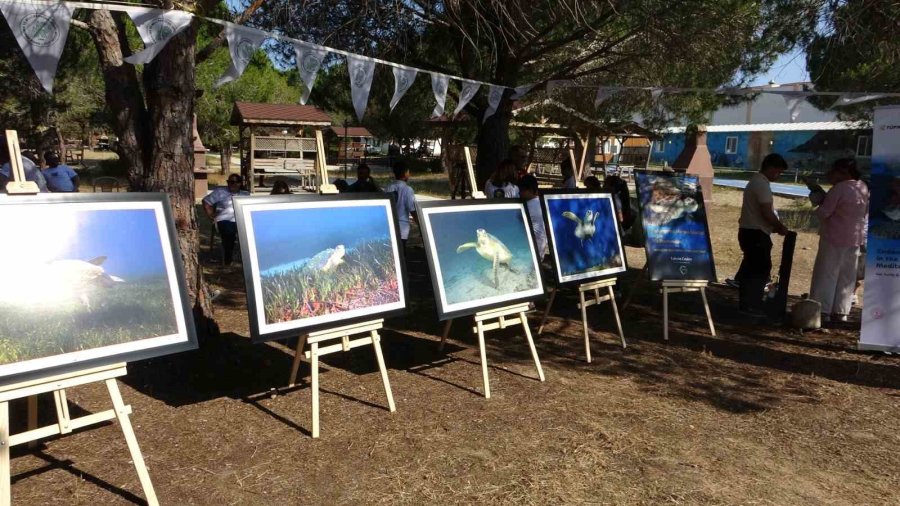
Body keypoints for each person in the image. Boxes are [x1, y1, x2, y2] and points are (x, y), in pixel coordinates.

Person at [809, 158, 869, 322]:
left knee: (827, 273)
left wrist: (819, 202)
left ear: (842, 172)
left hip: (833, 237)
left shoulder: (839, 189)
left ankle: (823, 309)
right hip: (854, 238)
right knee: (847, 275)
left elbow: (824, 213)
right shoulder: (862, 187)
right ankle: (842, 310)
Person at [735, 153, 790, 315]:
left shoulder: (757, 181)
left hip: (751, 230)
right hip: (755, 233)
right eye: (778, 172)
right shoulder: (761, 184)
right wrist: (779, 226)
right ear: (770, 168)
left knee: (751, 267)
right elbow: (766, 211)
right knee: (759, 269)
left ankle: (747, 303)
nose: (778, 176)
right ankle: (752, 304)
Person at [202, 174, 248, 266]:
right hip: (224, 219)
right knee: (229, 233)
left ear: (240, 183)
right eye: (229, 182)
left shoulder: (245, 194)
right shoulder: (220, 192)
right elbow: (206, 201)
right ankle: (228, 259)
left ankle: (250, 258)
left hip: (241, 220)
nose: (231, 184)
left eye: (235, 182)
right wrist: (211, 215)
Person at [384, 162, 416, 248]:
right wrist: (420, 224)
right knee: (402, 250)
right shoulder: (407, 189)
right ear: (406, 174)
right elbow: (412, 209)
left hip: (389, 224)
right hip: (402, 227)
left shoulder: (388, 187)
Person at [518, 174, 548, 259]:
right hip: (542, 248)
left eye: (522, 190)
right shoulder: (541, 202)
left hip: (531, 250)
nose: (519, 193)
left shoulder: (527, 206)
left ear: (530, 190)